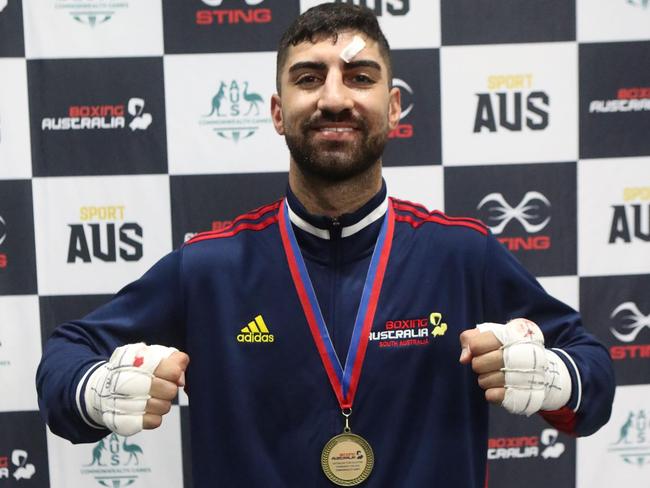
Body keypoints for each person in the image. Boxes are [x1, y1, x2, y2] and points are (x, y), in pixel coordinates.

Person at [37, 4, 615, 487]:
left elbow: (595, 382)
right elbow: (64, 357)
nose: (334, 99)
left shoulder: (462, 255)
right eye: (309, 78)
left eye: (360, 77)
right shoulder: (210, 267)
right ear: (277, 114)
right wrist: (97, 390)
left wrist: (555, 376)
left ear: (392, 109)